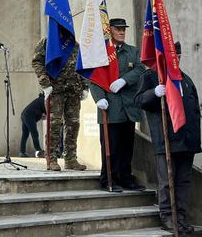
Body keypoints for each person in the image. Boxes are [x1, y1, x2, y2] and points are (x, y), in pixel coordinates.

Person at [134, 42, 201, 233]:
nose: (176, 59)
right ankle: (167, 215)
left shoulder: (185, 79)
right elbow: (138, 100)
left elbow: (194, 110)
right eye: (173, 55)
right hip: (166, 139)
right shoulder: (151, 76)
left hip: (187, 140)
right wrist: (154, 93)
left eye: (179, 56)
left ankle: (180, 217)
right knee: (166, 182)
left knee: (183, 182)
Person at [90, 18, 146, 192]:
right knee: (111, 147)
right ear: (110, 31)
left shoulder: (133, 51)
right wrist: (99, 98)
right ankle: (108, 179)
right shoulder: (102, 53)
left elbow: (140, 69)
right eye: (118, 29)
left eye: (123, 29)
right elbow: (94, 77)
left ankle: (126, 178)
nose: (121, 32)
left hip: (129, 107)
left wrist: (124, 80)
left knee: (127, 147)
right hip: (110, 106)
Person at [31, 38, 89, 171]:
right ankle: (51, 159)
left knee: (73, 124)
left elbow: (82, 65)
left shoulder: (74, 44)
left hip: (74, 90)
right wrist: (45, 83)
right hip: (55, 90)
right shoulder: (48, 41)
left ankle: (70, 159)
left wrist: (85, 86)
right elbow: (37, 62)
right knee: (54, 124)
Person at [19, 93, 46, 158]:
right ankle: (39, 151)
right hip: (29, 115)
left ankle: (22, 152)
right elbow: (46, 111)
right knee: (34, 133)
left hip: (24, 114)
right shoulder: (43, 100)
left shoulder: (39, 99)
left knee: (25, 134)